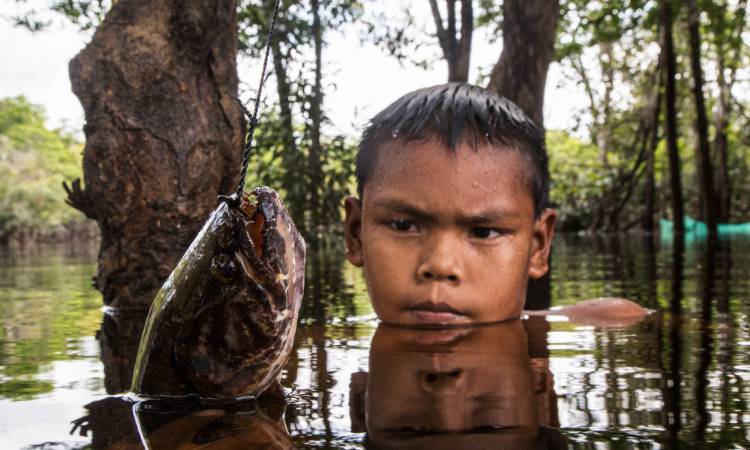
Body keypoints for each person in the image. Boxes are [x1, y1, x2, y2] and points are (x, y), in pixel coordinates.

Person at [343, 82, 647, 326]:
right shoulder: (303, 345)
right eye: (404, 225)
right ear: (356, 234)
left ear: (538, 245)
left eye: (483, 232)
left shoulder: (610, 321)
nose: (440, 266)